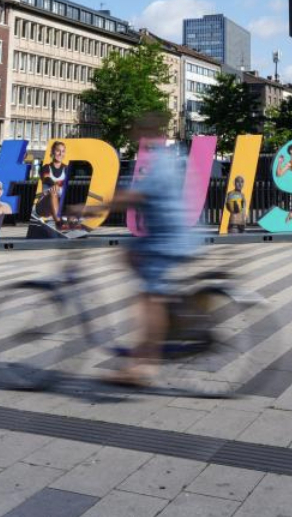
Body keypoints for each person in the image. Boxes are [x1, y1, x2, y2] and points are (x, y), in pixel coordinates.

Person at [105, 111, 197, 387]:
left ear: (145, 131)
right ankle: (166, 318)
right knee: (130, 256)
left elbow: (137, 195)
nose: (132, 134)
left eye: (135, 129)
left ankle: (145, 365)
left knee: (148, 297)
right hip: (163, 234)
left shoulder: (160, 160)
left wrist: (93, 207)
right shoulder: (167, 155)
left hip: (167, 239)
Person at [33, 141, 68, 229]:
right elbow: (47, 179)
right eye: (58, 151)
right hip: (43, 206)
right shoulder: (45, 168)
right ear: (52, 152)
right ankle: (59, 223)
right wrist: (56, 184)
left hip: (60, 205)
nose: (60, 154)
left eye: (63, 151)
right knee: (53, 192)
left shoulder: (67, 169)